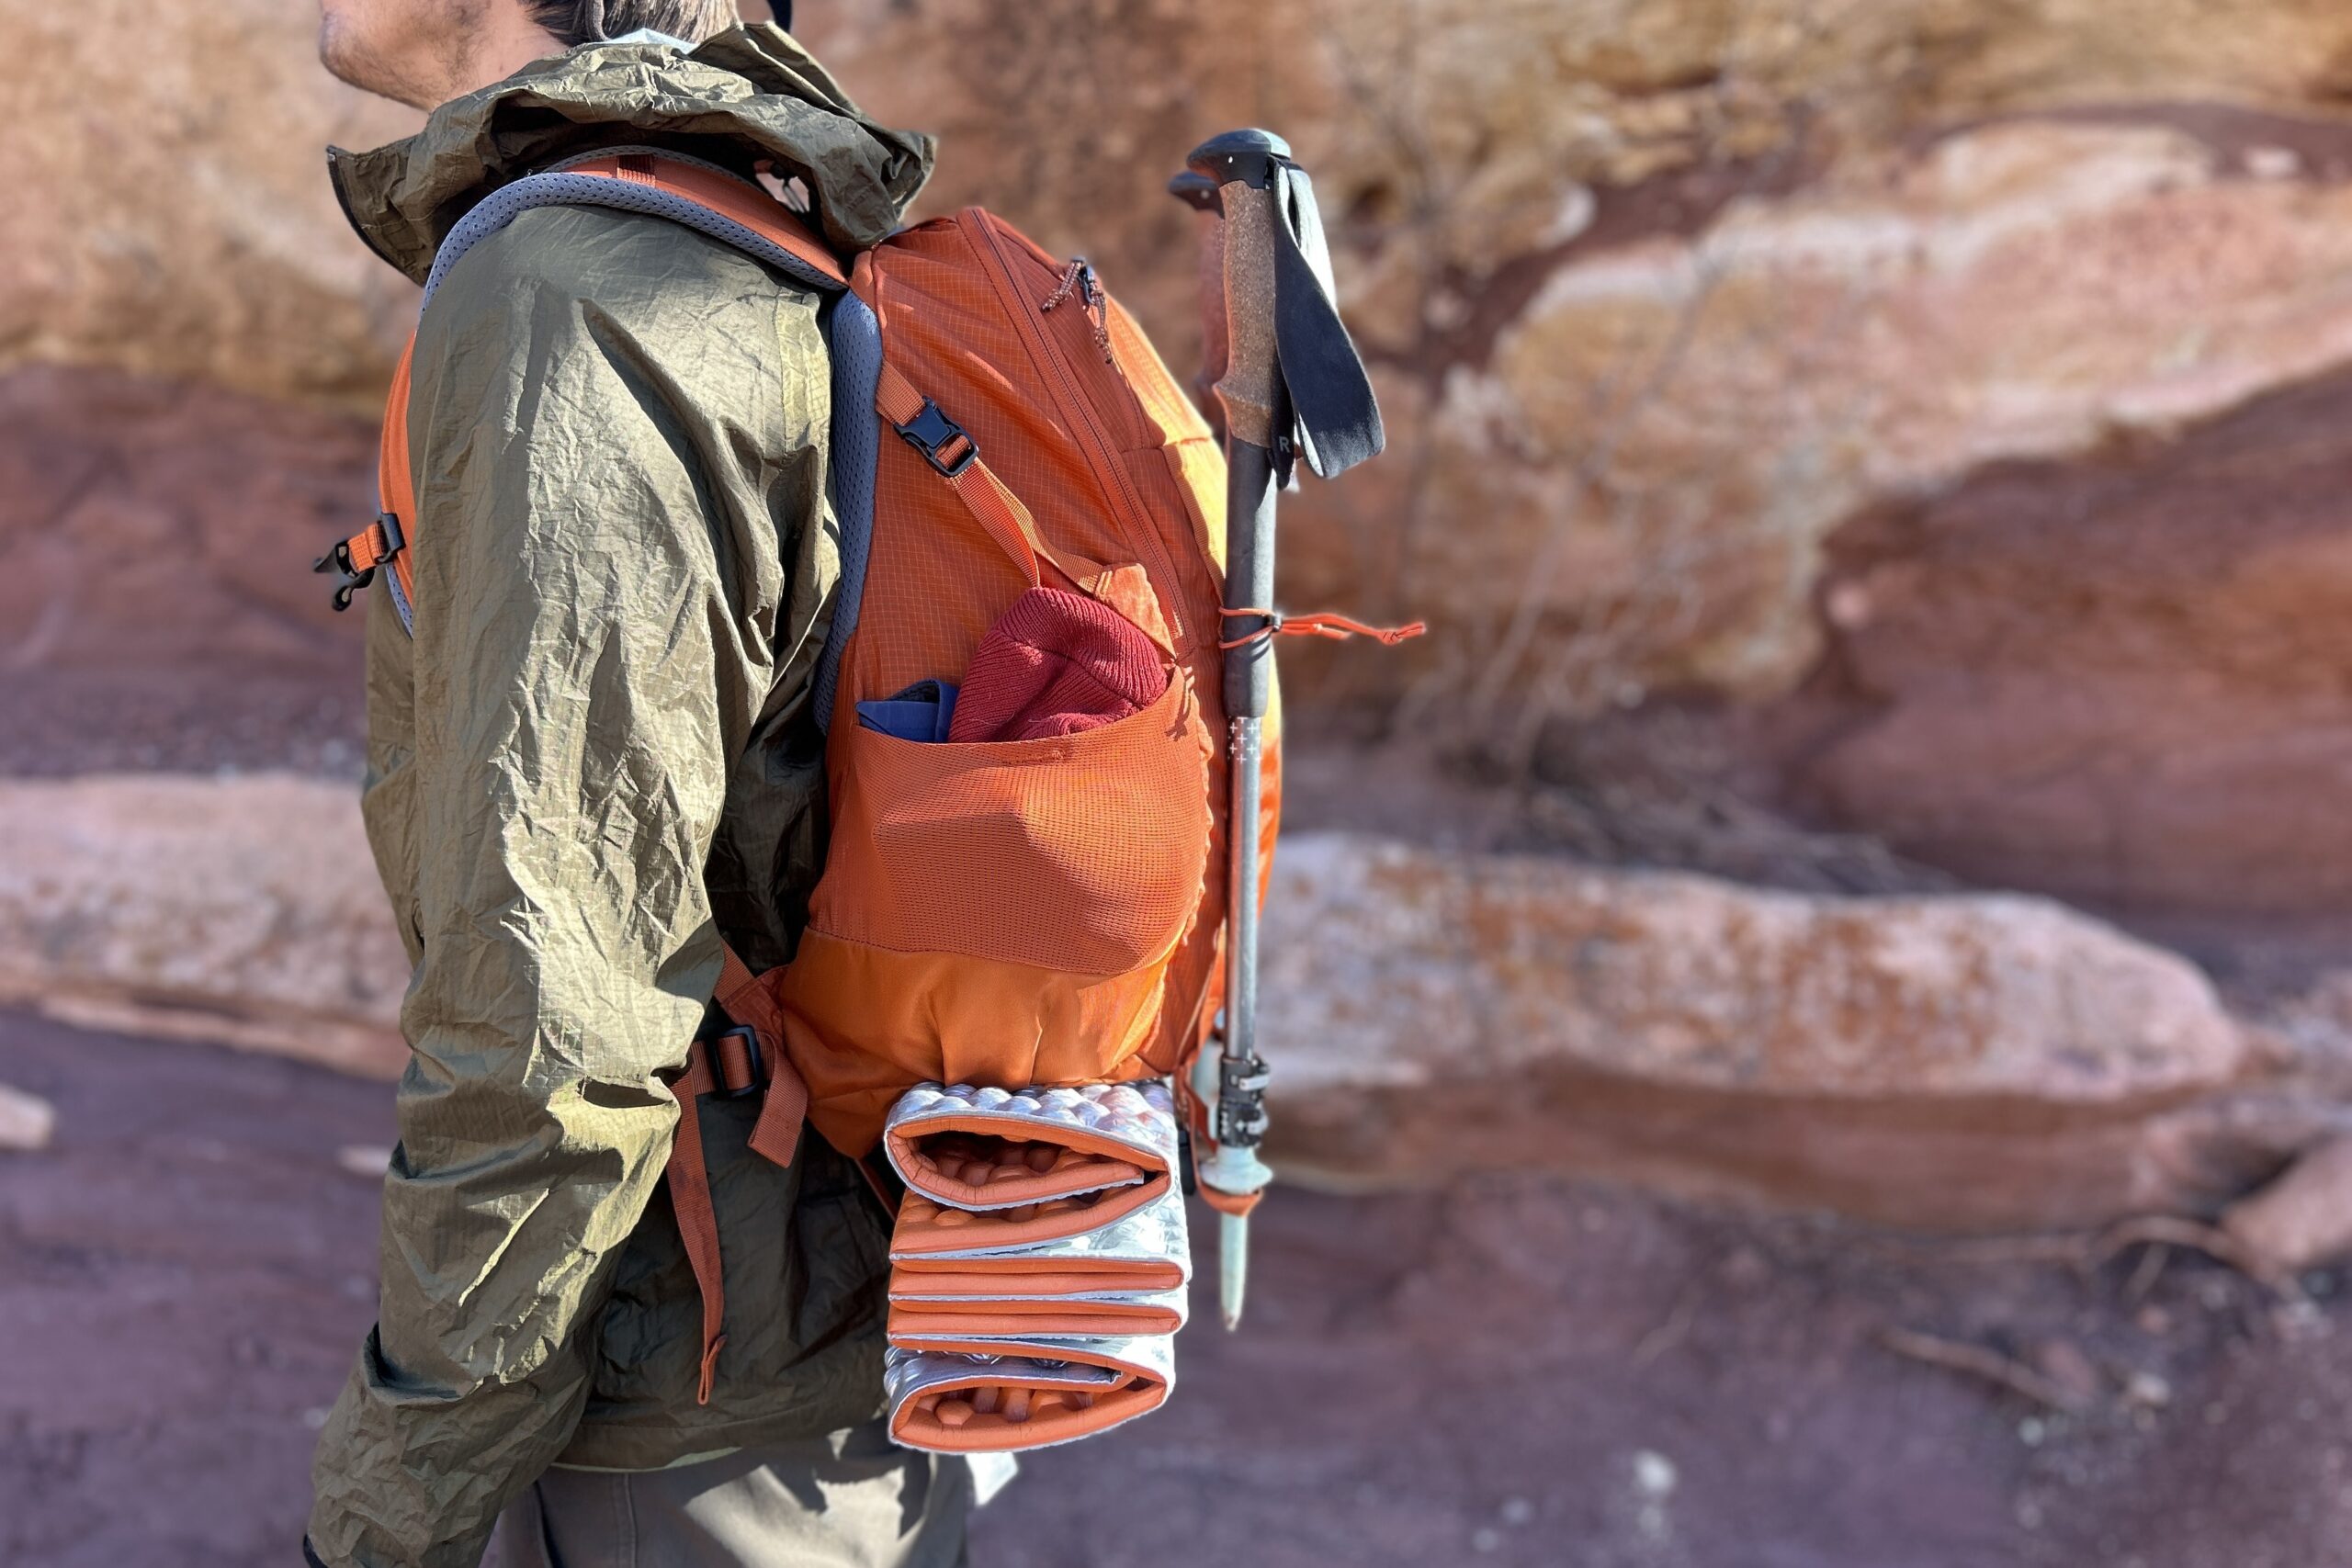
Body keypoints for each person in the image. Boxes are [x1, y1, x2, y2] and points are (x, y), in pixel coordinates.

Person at [300, 4, 966, 1564]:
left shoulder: (573, 299)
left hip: (682, 1403)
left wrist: (380, 1524)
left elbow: (553, 1028)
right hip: (777, 1348)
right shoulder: (724, 216)